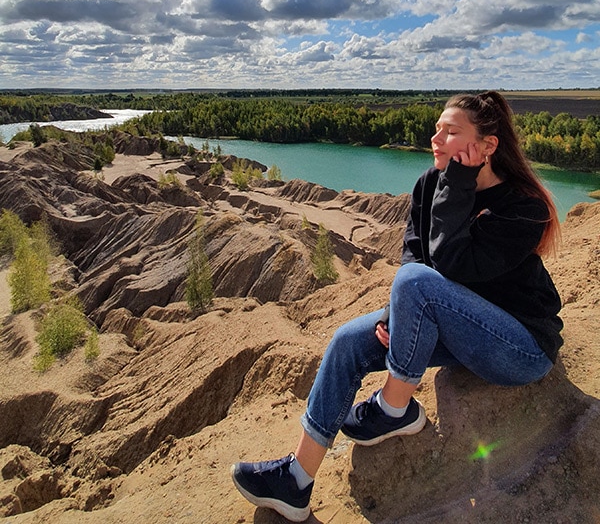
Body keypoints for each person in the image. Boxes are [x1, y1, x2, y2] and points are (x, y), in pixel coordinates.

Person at [231, 91, 563, 522]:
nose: (436, 138)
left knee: (414, 282)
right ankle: (295, 480)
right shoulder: (430, 183)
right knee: (348, 340)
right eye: (437, 128)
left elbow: (451, 265)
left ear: (488, 145)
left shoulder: (523, 206)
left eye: (451, 132)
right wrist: (398, 311)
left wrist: (458, 184)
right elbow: (414, 254)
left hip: (519, 347)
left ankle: (393, 408)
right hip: (456, 324)